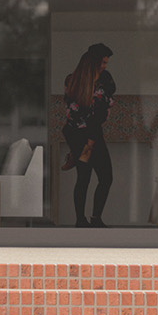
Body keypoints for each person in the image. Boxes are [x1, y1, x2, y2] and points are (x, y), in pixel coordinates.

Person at [60, 43, 117, 228]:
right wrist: (89, 143)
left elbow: (77, 115)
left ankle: (83, 220)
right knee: (101, 177)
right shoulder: (91, 82)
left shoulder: (74, 81)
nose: (105, 66)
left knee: (86, 177)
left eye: (106, 63)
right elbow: (97, 115)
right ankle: (92, 219)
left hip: (78, 133)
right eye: (102, 63)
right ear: (93, 62)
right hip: (85, 135)